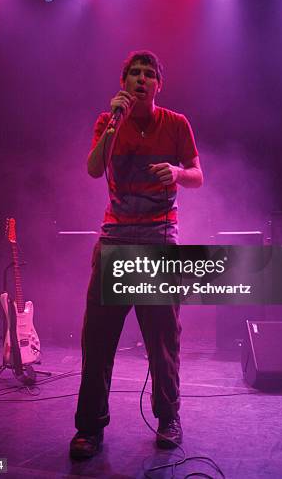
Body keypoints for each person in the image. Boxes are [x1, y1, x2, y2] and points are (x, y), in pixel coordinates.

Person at [70, 50, 203, 459]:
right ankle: (90, 427)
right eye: (134, 74)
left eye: (148, 74)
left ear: (159, 84)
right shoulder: (107, 121)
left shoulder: (177, 124)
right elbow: (94, 170)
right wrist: (113, 125)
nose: (141, 80)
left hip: (159, 241)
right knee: (98, 340)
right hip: (115, 242)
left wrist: (179, 173)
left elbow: (198, 174)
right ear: (124, 82)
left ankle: (168, 418)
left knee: (162, 341)